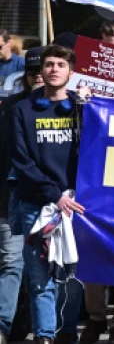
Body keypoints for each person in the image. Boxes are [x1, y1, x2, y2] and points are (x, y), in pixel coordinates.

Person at [11, 45, 88, 344]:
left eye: (61, 64)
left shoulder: (81, 109)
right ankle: (45, 336)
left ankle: (66, 330)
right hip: (37, 205)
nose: (54, 69)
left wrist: (87, 110)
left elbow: (96, 152)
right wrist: (55, 196)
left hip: (76, 205)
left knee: (71, 277)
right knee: (40, 278)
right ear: (40, 71)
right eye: (49, 64)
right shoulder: (21, 110)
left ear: (71, 71)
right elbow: (22, 160)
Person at [0, 47, 41, 344]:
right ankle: (2, 326)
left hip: (55, 203)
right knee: (12, 263)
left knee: (46, 271)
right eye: (32, 72)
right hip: (11, 199)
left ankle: (48, 330)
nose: (38, 76)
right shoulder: (9, 108)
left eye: (44, 70)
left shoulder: (71, 107)